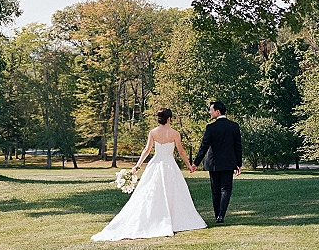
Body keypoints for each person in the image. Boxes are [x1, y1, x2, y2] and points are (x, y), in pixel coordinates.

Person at [91, 107, 206, 241]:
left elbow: (146, 150)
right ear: (169, 119)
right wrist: (189, 166)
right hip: (169, 165)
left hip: (156, 163)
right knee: (173, 191)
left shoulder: (153, 132)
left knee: (151, 191)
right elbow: (181, 152)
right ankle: (175, 219)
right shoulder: (175, 133)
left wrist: (137, 166)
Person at [191, 100, 242, 224]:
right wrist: (238, 164)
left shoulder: (211, 127)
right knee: (226, 189)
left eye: (211, 110)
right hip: (229, 163)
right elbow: (238, 146)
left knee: (215, 190)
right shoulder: (234, 126)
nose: (209, 112)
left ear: (217, 111)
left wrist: (196, 163)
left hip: (213, 163)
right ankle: (221, 215)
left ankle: (217, 215)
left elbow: (204, 146)